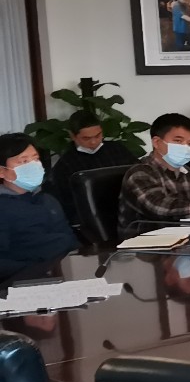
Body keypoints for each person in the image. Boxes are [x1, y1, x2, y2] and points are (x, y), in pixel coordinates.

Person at [0, 132, 78, 278]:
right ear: (2, 171)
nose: (33, 166)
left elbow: (70, 242)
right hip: (24, 281)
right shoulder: (3, 207)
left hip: (65, 273)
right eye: (24, 161)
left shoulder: (48, 200)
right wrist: (42, 272)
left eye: (36, 159)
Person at [47, 110, 136, 227]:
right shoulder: (65, 165)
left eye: (98, 135)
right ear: (73, 136)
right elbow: (67, 203)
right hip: (93, 219)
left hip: (128, 210)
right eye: (86, 138)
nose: (94, 142)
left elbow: (138, 173)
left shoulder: (117, 149)